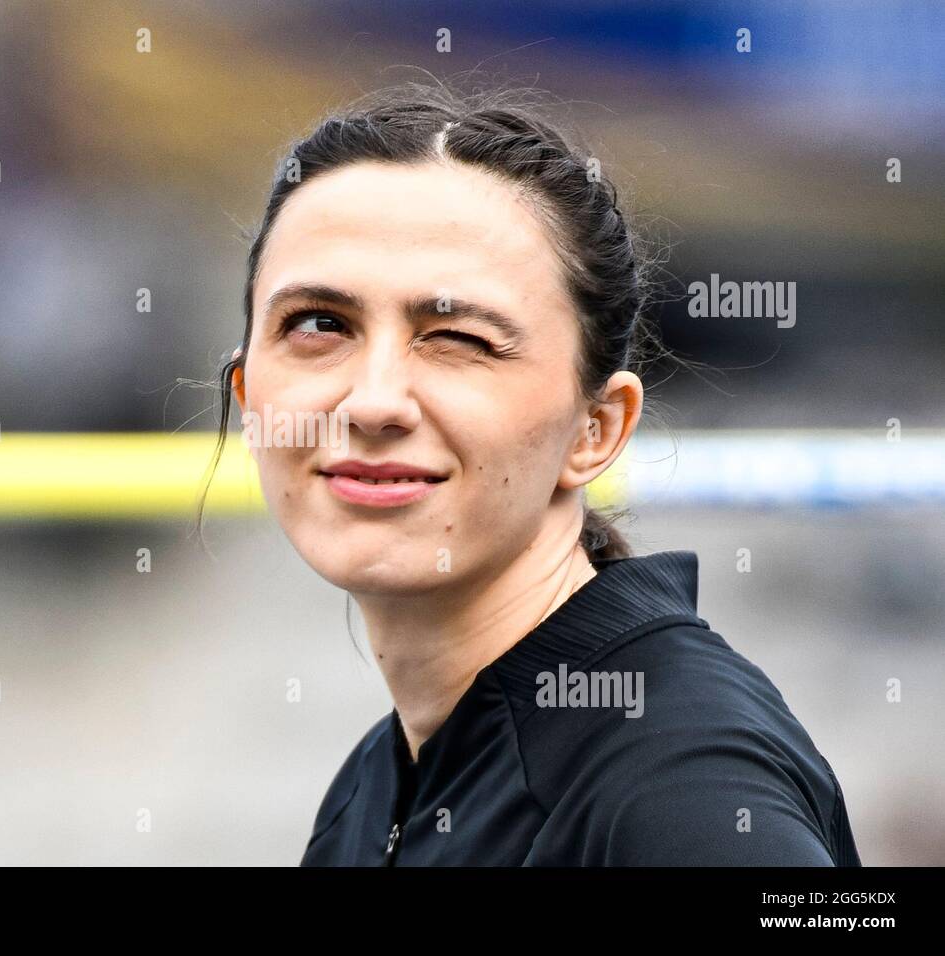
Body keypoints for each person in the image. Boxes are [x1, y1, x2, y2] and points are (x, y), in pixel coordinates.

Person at [203, 82, 861, 866]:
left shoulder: (682, 784)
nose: (373, 402)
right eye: (319, 324)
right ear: (249, 398)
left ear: (598, 429)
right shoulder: (377, 788)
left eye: (459, 337)